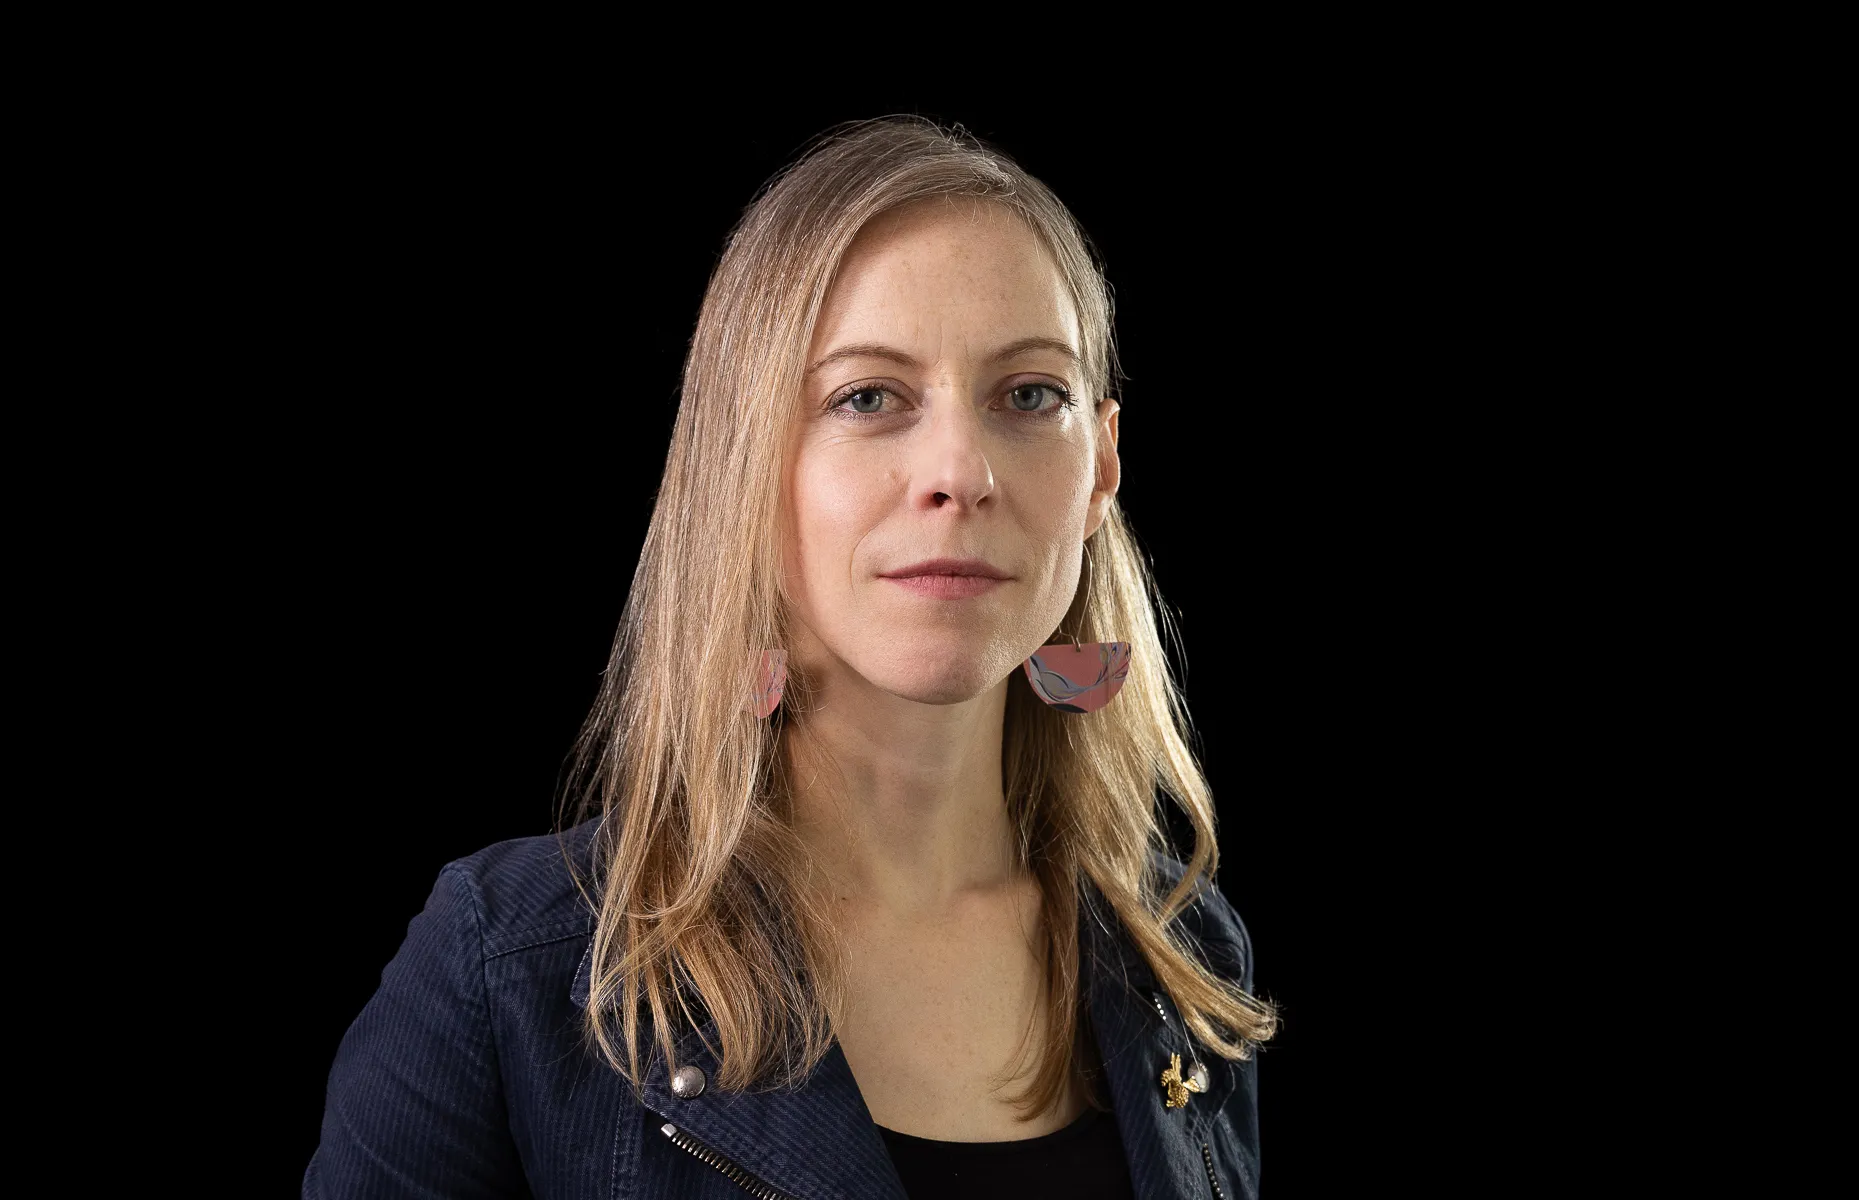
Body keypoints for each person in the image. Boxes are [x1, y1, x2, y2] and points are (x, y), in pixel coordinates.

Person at [305, 115, 1277, 1200]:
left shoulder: (1180, 954)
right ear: (746, 462)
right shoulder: (509, 975)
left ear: (1099, 469)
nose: (958, 471)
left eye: (1028, 395)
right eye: (868, 398)